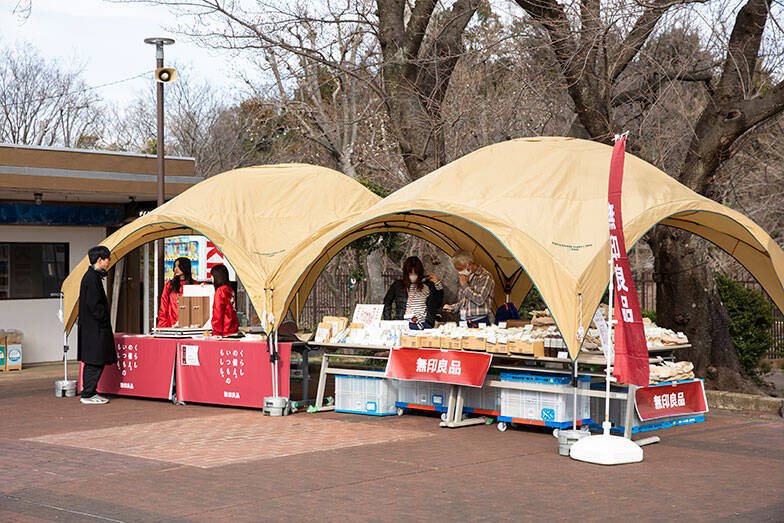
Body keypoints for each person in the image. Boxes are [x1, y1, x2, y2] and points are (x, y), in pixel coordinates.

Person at [77, 246, 117, 405]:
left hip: (92, 329)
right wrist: (103, 320)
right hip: (95, 329)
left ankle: (89, 392)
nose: (108, 262)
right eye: (107, 259)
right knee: (95, 360)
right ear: (100, 260)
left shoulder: (91, 276)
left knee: (93, 360)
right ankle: (88, 393)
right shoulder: (91, 278)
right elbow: (95, 305)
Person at [383, 256, 444, 329]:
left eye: (415, 273)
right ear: (406, 273)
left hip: (423, 324)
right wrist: (388, 323)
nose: (413, 276)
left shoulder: (427, 285)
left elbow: (438, 303)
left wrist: (437, 283)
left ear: (420, 273)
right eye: (410, 273)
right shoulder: (397, 285)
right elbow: (387, 303)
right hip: (402, 324)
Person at [443, 250, 495, 326]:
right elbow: (464, 302)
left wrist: (465, 285)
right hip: (464, 320)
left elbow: (480, 299)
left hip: (480, 320)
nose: (459, 272)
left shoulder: (485, 276)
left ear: (469, 264)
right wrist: (452, 307)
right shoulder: (464, 276)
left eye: (460, 268)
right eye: (456, 269)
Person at [156, 257, 195, 328]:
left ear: (185, 267)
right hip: (171, 323)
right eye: (175, 266)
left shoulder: (195, 284)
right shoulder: (169, 285)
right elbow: (163, 306)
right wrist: (162, 325)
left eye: (179, 266)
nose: (175, 269)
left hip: (190, 324)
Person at [211, 264, 239, 336]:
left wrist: (216, 331)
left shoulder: (220, 291)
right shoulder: (229, 289)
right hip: (232, 328)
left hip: (224, 330)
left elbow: (218, 312)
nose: (211, 278)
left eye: (212, 275)